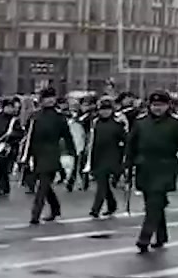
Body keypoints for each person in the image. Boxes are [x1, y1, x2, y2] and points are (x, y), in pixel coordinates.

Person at [123, 90, 178, 254]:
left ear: (168, 106)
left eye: (161, 105)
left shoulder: (175, 123)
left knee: (154, 202)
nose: (157, 108)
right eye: (154, 105)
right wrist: (127, 165)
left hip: (166, 166)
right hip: (145, 166)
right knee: (153, 202)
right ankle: (161, 235)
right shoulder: (140, 122)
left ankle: (144, 238)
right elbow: (131, 145)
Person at [21, 87, 72, 225]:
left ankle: (35, 214)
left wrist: (72, 153)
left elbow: (67, 136)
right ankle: (55, 209)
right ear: (41, 100)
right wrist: (25, 156)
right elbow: (29, 138)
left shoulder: (59, 117)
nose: (50, 100)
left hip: (52, 153)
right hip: (37, 154)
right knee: (45, 185)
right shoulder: (35, 117)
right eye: (46, 98)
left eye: (52, 97)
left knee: (43, 185)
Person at [82, 96, 126, 218]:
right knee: (103, 184)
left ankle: (95, 209)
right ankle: (112, 204)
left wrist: (123, 158)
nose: (104, 112)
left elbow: (125, 141)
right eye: (102, 109)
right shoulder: (95, 123)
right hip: (97, 157)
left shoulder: (118, 124)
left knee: (101, 183)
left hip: (112, 157)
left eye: (107, 109)